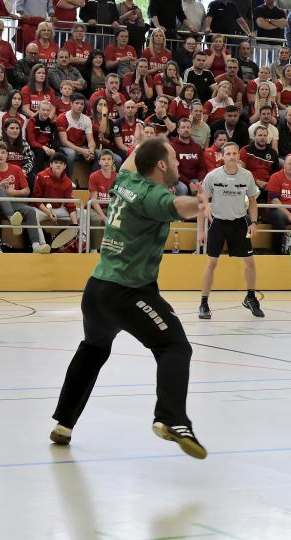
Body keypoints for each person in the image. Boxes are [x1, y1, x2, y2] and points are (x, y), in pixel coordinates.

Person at [49, 137, 207, 459]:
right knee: (174, 346)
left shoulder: (124, 181)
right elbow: (177, 206)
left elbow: (136, 156)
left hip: (96, 290)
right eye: (173, 158)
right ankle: (172, 419)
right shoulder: (153, 195)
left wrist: (147, 140)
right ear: (160, 165)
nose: (178, 163)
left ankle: (64, 424)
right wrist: (201, 204)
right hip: (127, 292)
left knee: (93, 349)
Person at [197, 142, 262, 320]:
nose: (232, 156)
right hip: (218, 223)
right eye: (228, 153)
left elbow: (252, 200)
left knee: (250, 262)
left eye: (235, 153)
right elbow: (202, 202)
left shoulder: (247, 176)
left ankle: (250, 298)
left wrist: (254, 222)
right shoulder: (213, 176)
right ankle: (203, 303)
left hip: (239, 223)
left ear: (239, 156)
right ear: (222, 156)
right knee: (212, 262)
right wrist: (200, 231)